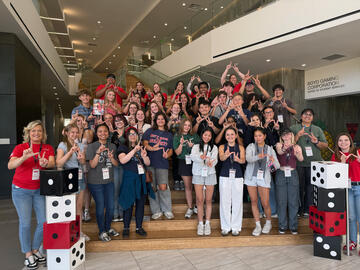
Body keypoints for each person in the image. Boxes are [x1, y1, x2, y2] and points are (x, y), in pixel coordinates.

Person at [8, 120, 55, 269]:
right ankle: (28, 254)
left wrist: (45, 163)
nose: (36, 133)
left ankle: (35, 249)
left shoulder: (47, 148)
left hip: (39, 190)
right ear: (28, 133)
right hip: (21, 190)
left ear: (43, 134)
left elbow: (53, 163)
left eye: (39, 131)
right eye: (33, 131)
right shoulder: (21, 147)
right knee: (26, 223)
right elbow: (10, 165)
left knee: (43, 221)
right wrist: (24, 157)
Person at [290, 108, 328, 217]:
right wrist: (297, 135)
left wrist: (316, 142)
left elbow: (325, 145)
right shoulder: (294, 128)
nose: (307, 116)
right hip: (298, 163)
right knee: (299, 187)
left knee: (311, 188)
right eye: (305, 114)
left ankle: (308, 209)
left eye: (310, 114)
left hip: (314, 164)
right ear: (301, 116)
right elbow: (287, 144)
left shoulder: (317, 129)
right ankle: (298, 210)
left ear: (313, 117)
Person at [118, 127, 155, 237]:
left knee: (140, 204)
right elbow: (123, 160)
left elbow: (147, 163)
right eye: (130, 134)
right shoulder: (123, 147)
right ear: (127, 136)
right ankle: (126, 227)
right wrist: (134, 150)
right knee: (128, 203)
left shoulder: (141, 147)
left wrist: (144, 156)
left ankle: (139, 227)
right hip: (129, 179)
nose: (132, 135)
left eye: (134, 134)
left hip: (141, 178)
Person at [56, 124, 89, 241]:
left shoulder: (79, 144)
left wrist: (81, 158)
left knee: (79, 207)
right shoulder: (63, 145)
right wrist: (70, 152)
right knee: (69, 207)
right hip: (69, 178)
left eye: (77, 132)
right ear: (67, 133)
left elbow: (83, 161)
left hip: (80, 177)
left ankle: (79, 232)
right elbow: (59, 163)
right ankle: (69, 233)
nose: (75, 134)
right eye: (72, 132)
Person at [86, 123, 119, 242]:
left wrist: (111, 158)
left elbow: (116, 164)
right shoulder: (91, 146)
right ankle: (101, 231)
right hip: (95, 182)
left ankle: (108, 227)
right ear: (97, 133)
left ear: (108, 133)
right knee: (100, 206)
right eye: (100, 131)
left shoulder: (112, 146)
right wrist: (98, 152)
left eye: (105, 131)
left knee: (110, 206)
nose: (103, 133)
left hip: (109, 181)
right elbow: (92, 165)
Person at [245, 127, 280, 236]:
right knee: (254, 202)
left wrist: (272, 161)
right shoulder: (250, 146)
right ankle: (258, 225)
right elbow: (248, 159)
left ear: (264, 136)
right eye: (256, 136)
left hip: (264, 178)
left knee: (265, 203)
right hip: (251, 178)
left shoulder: (270, 149)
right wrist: (258, 156)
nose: (258, 138)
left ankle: (268, 222)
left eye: (260, 135)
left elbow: (277, 166)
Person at [331, 132, 360, 252]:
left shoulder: (358, 152)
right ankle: (352, 241)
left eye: (346, 140)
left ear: (350, 141)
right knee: (351, 217)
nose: (343, 143)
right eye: (340, 140)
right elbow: (335, 176)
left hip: (359, 187)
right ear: (337, 143)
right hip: (347, 189)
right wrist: (342, 163)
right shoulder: (335, 156)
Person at [142, 112, 174, 219]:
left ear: (165, 120)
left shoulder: (169, 134)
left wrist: (167, 155)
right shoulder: (150, 131)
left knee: (163, 186)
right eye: (158, 119)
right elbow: (145, 144)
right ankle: (156, 210)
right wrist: (152, 148)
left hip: (162, 163)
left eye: (162, 119)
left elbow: (171, 150)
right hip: (150, 163)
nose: (160, 121)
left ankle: (167, 209)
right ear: (155, 121)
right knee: (152, 187)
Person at [190, 128, 218, 236]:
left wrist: (211, 163)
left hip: (210, 174)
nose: (207, 137)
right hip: (198, 174)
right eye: (205, 135)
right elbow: (192, 157)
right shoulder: (196, 147)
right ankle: (200, 223)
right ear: (202, 135)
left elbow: (215, 159)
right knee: (200, 200)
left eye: (209, 136)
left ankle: (208, 223)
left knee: (209, 200)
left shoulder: (214, 147)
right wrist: (200, 157)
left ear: (211, 137)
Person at [275, 129, 303, 234]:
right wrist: (284, 147)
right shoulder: (278, 144)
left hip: (293, 174)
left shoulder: (297, 146)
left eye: (288, 134)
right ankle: (282, 226)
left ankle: (293, 226)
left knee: (293, 201)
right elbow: (279, 151)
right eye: (284, 135)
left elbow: (301, 159)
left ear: (292, 135)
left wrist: (298, 153)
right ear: (282, 137)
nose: (286, 137)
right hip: (281, 173)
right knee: (281, 201)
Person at [218, 127, 246, 236]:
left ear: (235, 135)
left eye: (232, 134)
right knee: (225, 201)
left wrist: (238, 160)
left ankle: (236, 226)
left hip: (238, 176)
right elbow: (221, 158)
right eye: (228, 135)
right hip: (225, 176)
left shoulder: (241, 147)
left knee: (237, 201)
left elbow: (243, 160)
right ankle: (225, 226)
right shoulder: (222, 147)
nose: (230, 136)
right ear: (225, 136)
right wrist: (225, 155)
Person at [173, 119, 200, 218]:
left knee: (197, 186)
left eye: (189, 125)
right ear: (182, 125)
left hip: (195, 162)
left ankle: (198, 206)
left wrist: (193, 147)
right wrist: (181, 143)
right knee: (188, 186)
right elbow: (177, 153)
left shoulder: (195, 136)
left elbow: (201, 149)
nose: (187, 127)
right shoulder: (177, 136)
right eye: (185, 125)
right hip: (184, 162)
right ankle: (190, 207)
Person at [111, 114, 128, 222]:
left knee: (124, 189)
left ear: (124, 121)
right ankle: (115, 213)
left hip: (127, 164)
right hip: (115, 164)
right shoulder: (111, 135)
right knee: (115, 189)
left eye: (120, 120)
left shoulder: (128, 133)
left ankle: (122, 212)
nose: (118, 122)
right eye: (116, 120)